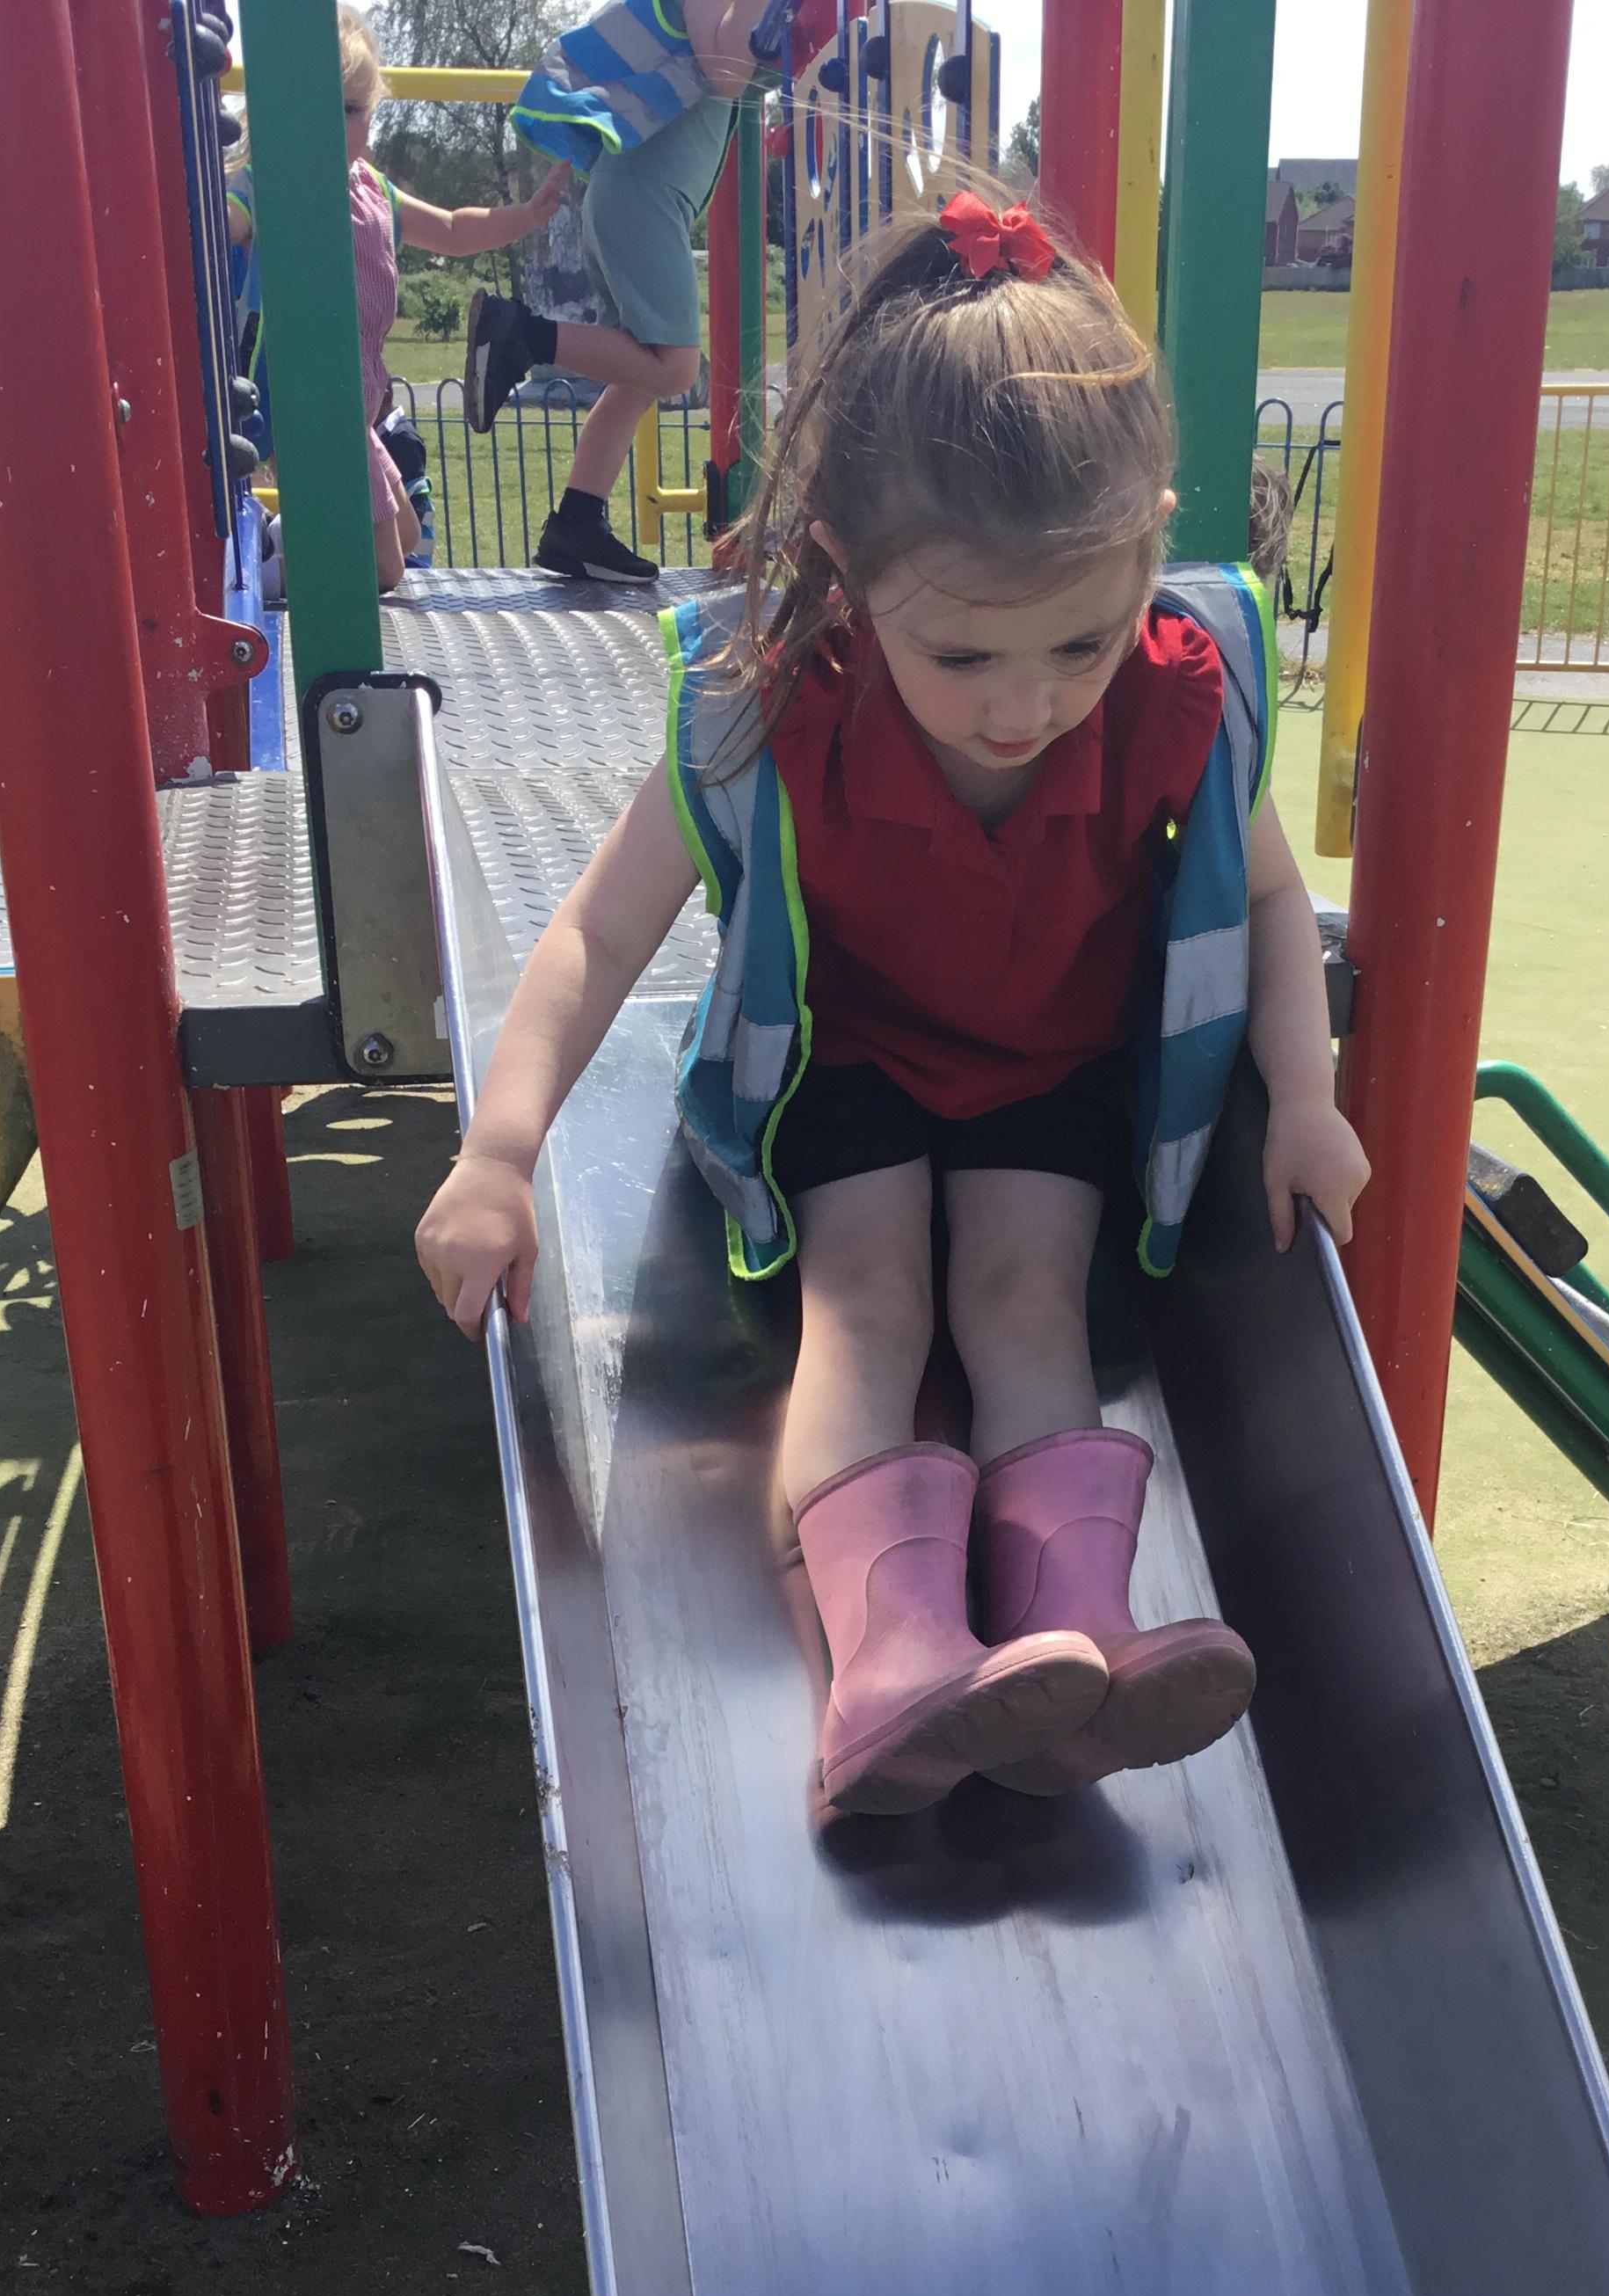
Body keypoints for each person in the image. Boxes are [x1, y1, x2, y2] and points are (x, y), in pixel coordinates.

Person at [417, 196, 1368, 1818]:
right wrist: (498, 1154)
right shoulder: (769, 703)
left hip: (1047, 1071)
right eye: (965, 657)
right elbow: (595, 929)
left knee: (1024, 1301)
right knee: (867, 1301)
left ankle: (1079, 1637)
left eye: (1076, 642)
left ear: (1147, 544)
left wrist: (1305, 1099)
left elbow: (1276, 900)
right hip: (843, 1064)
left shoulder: (1170, 695)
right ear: (848, 572)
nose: (1025, 703)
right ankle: (890, 1655)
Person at [463, 0, 835, 584]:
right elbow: (724, 70)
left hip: (636, 196)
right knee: (675, 369)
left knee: (638, 374)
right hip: (642, 197)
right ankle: (520, 335)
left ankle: (576, 524)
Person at [229, 9, 572, 594]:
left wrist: (525, 215)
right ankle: (258, 579)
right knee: (384, 569)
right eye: (322, 108)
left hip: (354, 409)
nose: (339, 125)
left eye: (353, 109)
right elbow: (227, 220)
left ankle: (276, 542)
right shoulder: (272, 184)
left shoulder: (371, 189)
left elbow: (454, 229)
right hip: (308, 406)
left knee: (408, 535)